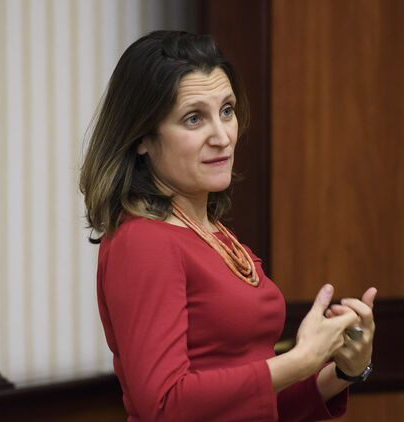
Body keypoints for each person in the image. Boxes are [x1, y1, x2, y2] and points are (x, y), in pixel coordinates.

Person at [80, 30, 377, 422]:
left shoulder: (212, 232)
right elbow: (165, 406)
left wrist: (345, 370)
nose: (222, 137)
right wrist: (301, 359)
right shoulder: (144, 241)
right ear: (142, 138)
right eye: (194, 118)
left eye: (227, 110)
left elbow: (254, 401)